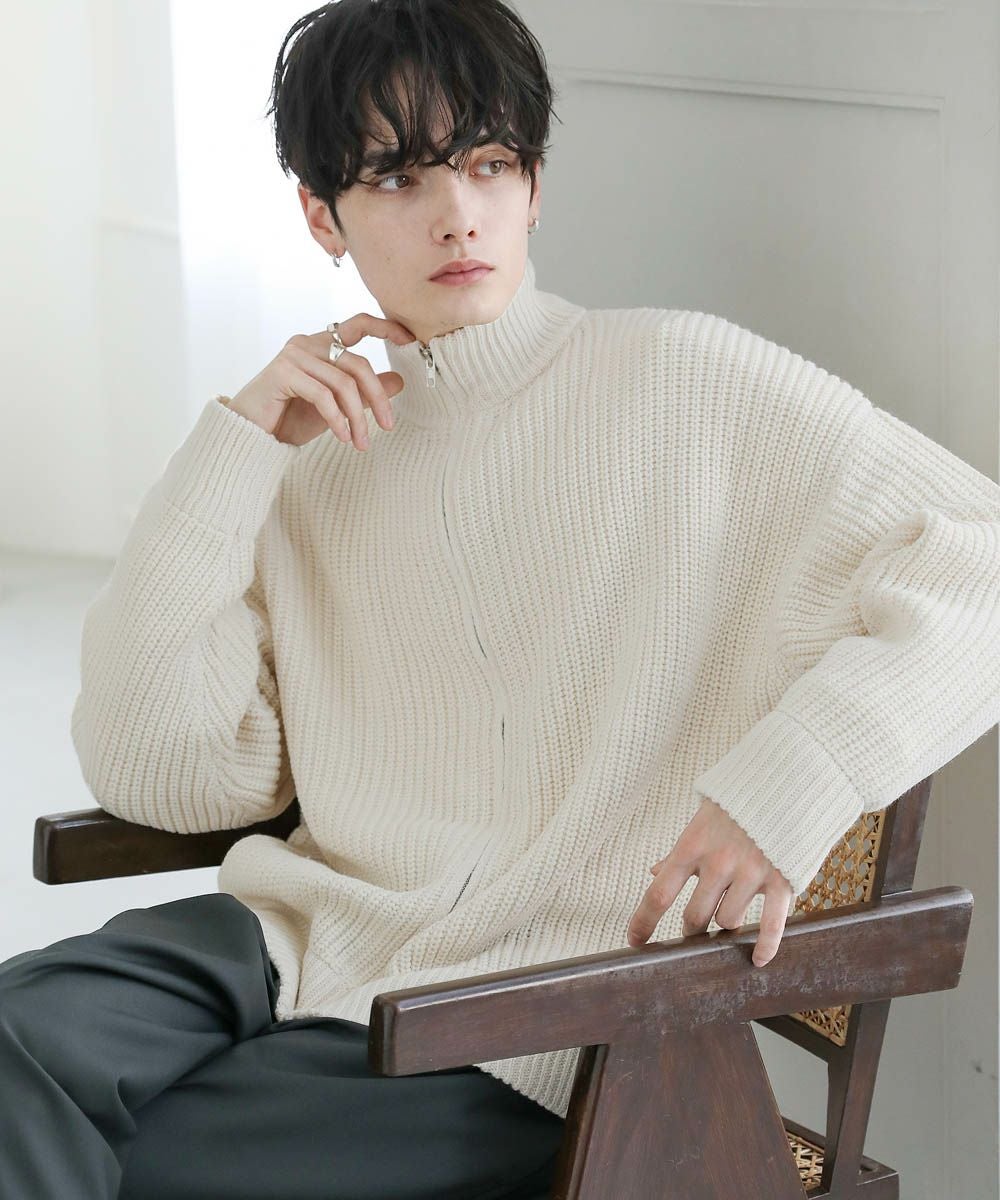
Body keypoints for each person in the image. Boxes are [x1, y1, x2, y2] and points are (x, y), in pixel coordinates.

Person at [5, 0, 1000, 1195]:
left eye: (488, 164)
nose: (457, 213)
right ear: (320, 215)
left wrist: (791, 784)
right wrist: (235, 449)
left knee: (149, 1167)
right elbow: (160, 772)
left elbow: (981, 554)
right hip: (286, 943)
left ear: (534, 188)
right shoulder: (310, 460)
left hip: (525, 1016)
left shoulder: (682, 379)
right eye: (399, 178)